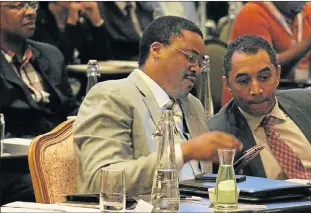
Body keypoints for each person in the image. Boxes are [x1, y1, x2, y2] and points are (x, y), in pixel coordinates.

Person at [73, 16, 243, 196]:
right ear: (156, 50)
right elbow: (100, 180)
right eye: (190, 57)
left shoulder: (194, 106)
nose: (196, 69)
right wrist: (184, 152)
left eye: (200, 62)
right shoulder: (112, 96)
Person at [208, 35, 311, 179]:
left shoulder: (310, 102)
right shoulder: (218, 131)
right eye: (243, 81)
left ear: (277, 75)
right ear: (228, 84)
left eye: (264, 77)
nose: (256, 90)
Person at [221, 1, 311, 106]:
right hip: (250, 104)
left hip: (295, 93)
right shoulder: (251, 13)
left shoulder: (309, 11)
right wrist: (309, 42)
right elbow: (263, 70)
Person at [0, 1, 78, 137]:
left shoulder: (51, 54)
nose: (31, 12)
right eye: (18, 6)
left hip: (60, 145)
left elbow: (71, 109)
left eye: (32, 4)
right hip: (13, 151)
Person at [31, 1, 109, 65]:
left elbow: (101, 58)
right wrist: (71, 24)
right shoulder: (38, 22)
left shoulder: (82, 20)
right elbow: (57, 62)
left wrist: (97, 23)